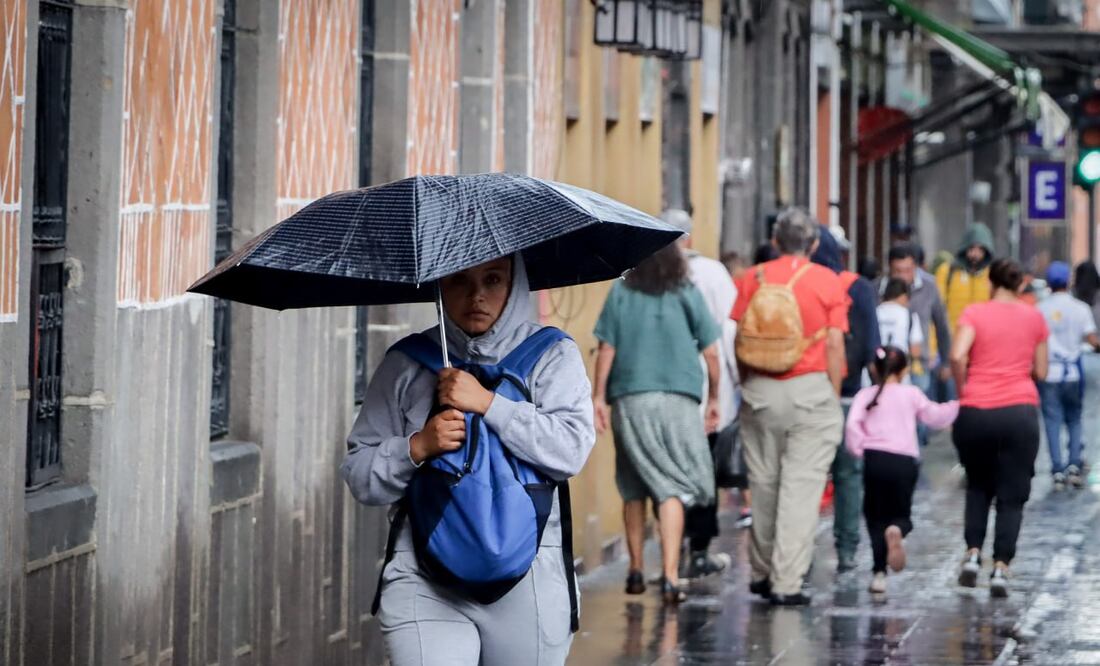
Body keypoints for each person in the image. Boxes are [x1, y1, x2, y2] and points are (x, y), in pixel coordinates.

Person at [342, 255, 595, 665]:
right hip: (423, 576)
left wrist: (490, 404)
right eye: (459, 281)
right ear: (438, 287)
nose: (477, 296)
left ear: (515, 285)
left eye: (493, 280)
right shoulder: (407, 363)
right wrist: (417, 448)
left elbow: (570, 450)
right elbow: (358, 474)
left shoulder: (553, 356)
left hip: (530, 574)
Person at [731, 208, 848, 606]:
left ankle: (761, 573)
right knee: (801, 487)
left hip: (760, 390)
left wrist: (748, 382)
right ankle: (787, 581)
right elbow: (834, 343)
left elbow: (740, 336)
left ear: (776, 241)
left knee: (762, 484)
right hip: (810, 389)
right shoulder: (827, 281)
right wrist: (831, 392)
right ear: (814, 244)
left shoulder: (753, 278)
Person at [592, 242, 721, 603]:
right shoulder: (686, 291)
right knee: (671, 486)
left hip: (630, 398)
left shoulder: (621, 290)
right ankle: (669, 576)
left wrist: (598, 397)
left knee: (633, 485)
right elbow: (711, 352)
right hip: (679, 400)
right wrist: (714, 399)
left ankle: (635, 570)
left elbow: (607, 348)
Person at [950, 258, 1048, 599]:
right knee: (1012, 495)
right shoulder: (1034, 317)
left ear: (991, 283)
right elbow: (1042, 370)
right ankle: (1001, 567)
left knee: (977, 485)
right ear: (1021, 284)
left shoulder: (975, 313)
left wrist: (966, 390)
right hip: (1019, 413)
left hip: (976, 411)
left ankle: (973, 554)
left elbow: (957, 355)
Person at [845, 346, 959, 595]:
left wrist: (861, 449)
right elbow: (935, 416)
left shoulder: (866, 395)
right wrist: (958, 405)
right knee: (900, 513)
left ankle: (878, 575)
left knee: (875, 518)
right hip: (904, 462)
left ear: (873, 368)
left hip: (875, 460)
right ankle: (898, 530)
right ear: (905, 370)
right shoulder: (912, 394)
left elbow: (853, 427)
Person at [662, 208, 738, 578]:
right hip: (708, 383)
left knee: (669, 469)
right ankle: (699, 548)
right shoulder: (713, 273)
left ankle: (670, 554)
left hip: (667, 385)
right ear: (689, 237)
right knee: (702, 468)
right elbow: (727, 330)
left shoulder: (650, 276)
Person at [811, 226, 879, 574]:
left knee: (806, 475)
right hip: (848, 395)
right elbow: (871, 347)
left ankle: (801, 550)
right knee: (849, 474)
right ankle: (847, 548)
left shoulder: (802, 284)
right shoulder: (859, 287)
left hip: (807, 390)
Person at [1037, 261, 1100, 489]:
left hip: (1048, 372)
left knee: (1051, 421)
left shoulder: (1040, 308)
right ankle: (1074, 463)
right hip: (1072, 372)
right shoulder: (1079, 309)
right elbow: (1093, 340)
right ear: (1068, 281)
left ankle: (1057, 468)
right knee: (1074, 419)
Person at [882, 244, 952, 405]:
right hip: (886, 367)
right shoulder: (878, 288)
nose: (903, 276)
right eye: (897, 271)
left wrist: (946, 363)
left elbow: (942, 326)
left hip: (919, 365)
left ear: (915, 267)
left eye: (908, 270)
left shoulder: (929, 288)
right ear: (889, 268)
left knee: (920, 418)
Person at [877, 278, 924, 363]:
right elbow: (915, 351)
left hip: (874, 370)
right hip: (899, 370)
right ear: (903, 296)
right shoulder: (910, 316)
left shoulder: (874, 312)